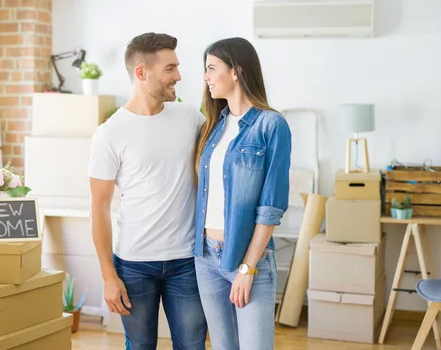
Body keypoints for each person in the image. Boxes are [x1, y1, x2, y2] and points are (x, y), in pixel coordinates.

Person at [88, 32, 208, 350]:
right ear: (142, 73)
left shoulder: (190, 118)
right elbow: (99, 208)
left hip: (186, 261)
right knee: (139, 346)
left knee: (193, 346)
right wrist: (108, 276)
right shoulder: (109, 133)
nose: (179, 76)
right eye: (170, 68)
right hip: (133, 264)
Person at [193, 37, 292, 350]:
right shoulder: (212, 127)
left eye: (211, 68)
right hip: (206, 257)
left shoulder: (271, 125)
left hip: (249, 258)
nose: (206, 77)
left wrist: (247, 267)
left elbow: (270, 207)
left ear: (235, 71)